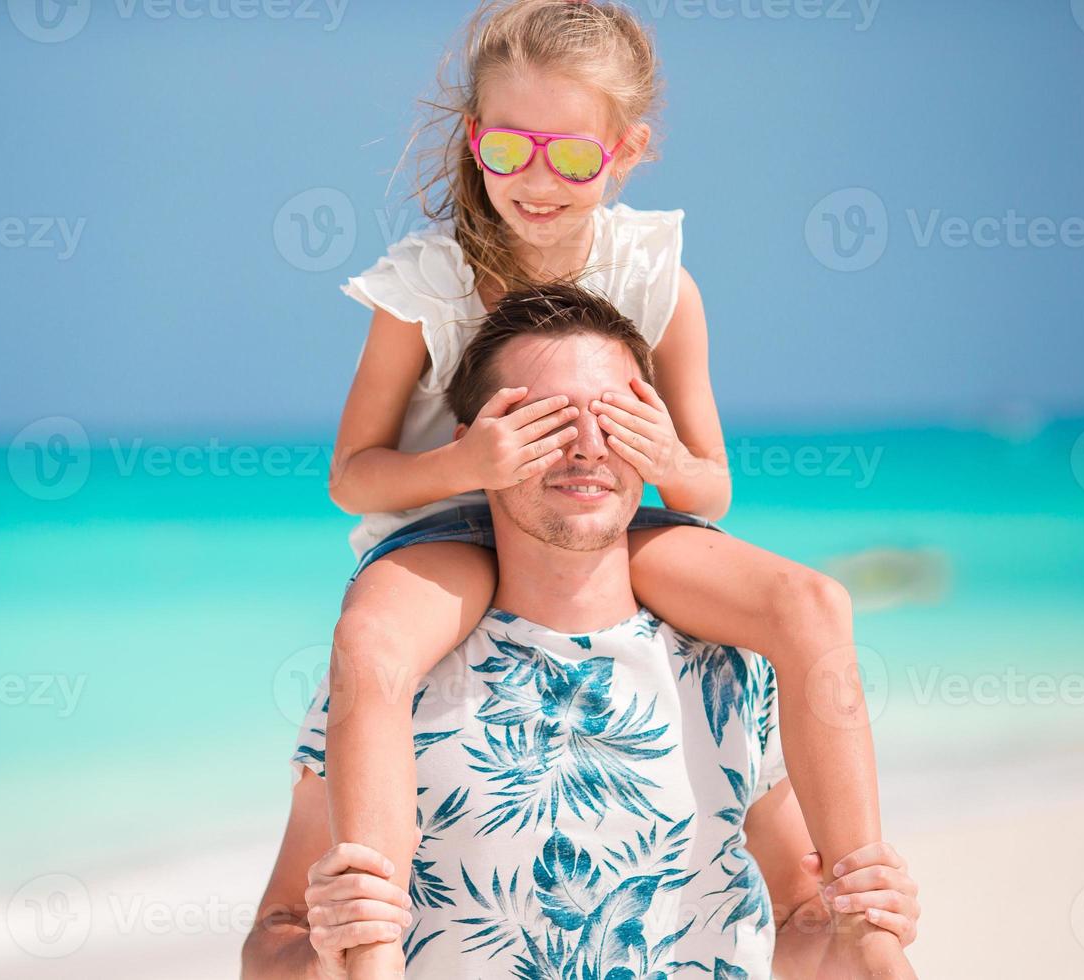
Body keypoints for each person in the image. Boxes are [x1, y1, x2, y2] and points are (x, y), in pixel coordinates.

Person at [318, 1, 900, 977]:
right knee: (371, 639)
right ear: (475, 141)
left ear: (623, 154)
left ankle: (865, 922)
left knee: (815, 602)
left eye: (572, 157)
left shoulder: (660, 279)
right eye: (509, 148)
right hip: (453, 519)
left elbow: (710, 486)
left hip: (618, 511)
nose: (537, 180)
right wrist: (471, 466)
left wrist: (657, 456)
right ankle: (370, 951)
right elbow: (352, 478)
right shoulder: (424, 286)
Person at [243, 284, 919, 978]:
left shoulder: (735, 667)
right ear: (471, 447)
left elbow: (796, 916)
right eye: (547, 422)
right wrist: (327, 950)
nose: (588, 448)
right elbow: (273, 943)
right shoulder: (389, 672)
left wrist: (853, 924)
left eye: (618, 419)